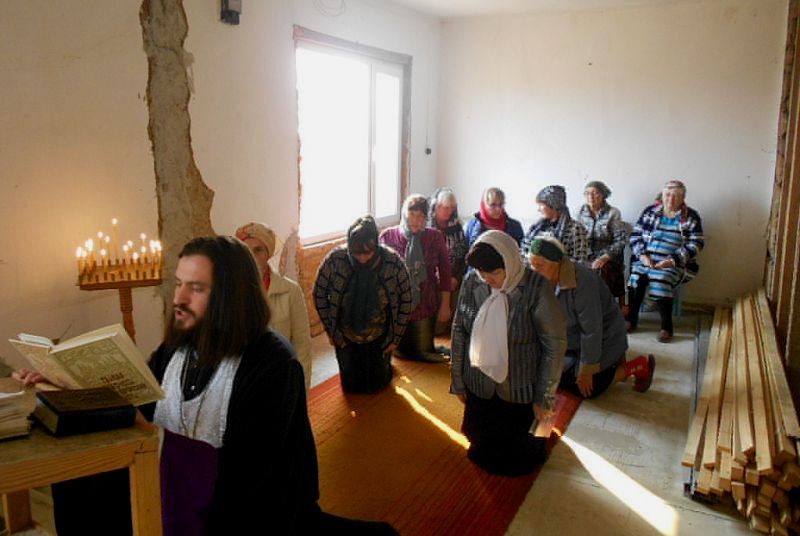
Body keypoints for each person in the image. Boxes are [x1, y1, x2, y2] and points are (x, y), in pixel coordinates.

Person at [29, 236, 397, 535]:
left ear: (230, 296)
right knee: (84, 482)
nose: (179, 299)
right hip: (180, 491)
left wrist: (154, 437)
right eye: (178, 285)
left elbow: (250, 475)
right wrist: (69, 389)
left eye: (196, 288)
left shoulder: (272, 363)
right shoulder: (176, 348)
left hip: (248, 515)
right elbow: (136, 403)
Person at [450, 230, 566, 476]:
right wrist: (458, 380)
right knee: (479, 442)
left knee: (522, 457)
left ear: (510, 262)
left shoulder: (536, 288)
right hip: (481, 380)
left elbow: (554, 345)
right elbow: (460, 329)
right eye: (482, 273)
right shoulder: (473, 281)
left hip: (520, 385)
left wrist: (544, 396)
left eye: (494, 273)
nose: (487, 279)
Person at [527, 237, 655, 399]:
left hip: (604, 339)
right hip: (572, 342)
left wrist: (586, 370)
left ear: (557, 262)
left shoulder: (582, 280)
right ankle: (605, 368)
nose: (534, 270)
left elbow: (592, 330)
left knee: (587, 387)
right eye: (532, 265)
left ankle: (637, 366)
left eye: (539, 265)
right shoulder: (541, 281)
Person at [314, 216, 412, 393]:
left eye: (367, 253)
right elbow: (319, 293)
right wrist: (332, 331)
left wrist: (396, 336)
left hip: (380, 335)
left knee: (378, 385)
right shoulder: (336, 259)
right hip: (346, 337)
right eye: (356, 253)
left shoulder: (392, 262)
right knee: (351, 386)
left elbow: (406, 297)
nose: (362, 258)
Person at [235, 221, 312, 391]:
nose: (252, 257)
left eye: (258, 250)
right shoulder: (230, 294)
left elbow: (302, 345)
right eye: (247, 251)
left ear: (268, 253)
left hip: (280, 380)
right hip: (244, 384)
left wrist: (301, 390)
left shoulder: (290, 291)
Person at [627, 180, 704, 342]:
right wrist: (642, 255)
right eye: (667, 195)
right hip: (646, 259)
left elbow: (696, 243)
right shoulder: (650, 211)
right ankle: (631, 319)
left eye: (676, 196)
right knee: (636, 277)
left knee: (660, 278)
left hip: (673, 263)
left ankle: (666, 327)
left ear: (682, 198)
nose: (671, 199)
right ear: (662, 196)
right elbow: (635, 236)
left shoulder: (691, 216)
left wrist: (672, 260)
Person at [380, 194, 452, 363]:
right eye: (412, 214)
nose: (416, 220)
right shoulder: (388, 237)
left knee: (422, 352)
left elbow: (445, 271)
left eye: (421, 216)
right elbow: (379, 274)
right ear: (404, 213)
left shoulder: (435, 237)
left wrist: (445, 304)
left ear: (427, 218)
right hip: (396, 305)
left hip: (425, 302)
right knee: (399, 352)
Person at [575, 181, 629, 302]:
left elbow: (620, 240)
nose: (591, 197)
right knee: (572, 269)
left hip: (608, 254)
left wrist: (604, 257)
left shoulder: (613, 212)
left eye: (595, 193)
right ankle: (581, 306)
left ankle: (602, 307)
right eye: (587, 193)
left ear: (603, 195)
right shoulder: (580, 212)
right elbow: (577, 237)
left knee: (600, 271)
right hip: (586, 253)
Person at [428, 187, 469, 336]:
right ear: (436, 206)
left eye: (452, 208)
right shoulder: (427, 227)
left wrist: (456, 277)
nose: (449, 212)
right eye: (446, 208)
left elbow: (464, 255)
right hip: (433, 276)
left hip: (453, 276)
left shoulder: (457, 227)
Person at [520, 185, 588, 263]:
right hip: (532, 269)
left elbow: (580, 261)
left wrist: (549, 265)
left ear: (553, 205)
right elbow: (523, 252)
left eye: (541, 205)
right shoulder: (536, 227)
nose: (538, 209)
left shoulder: (575, 229)